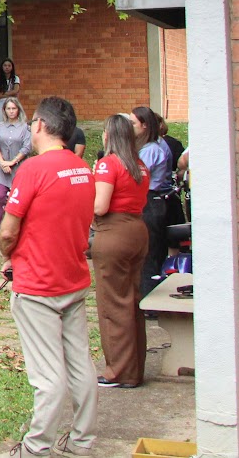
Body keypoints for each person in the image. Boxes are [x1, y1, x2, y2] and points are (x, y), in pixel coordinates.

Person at [0, 96, 97, 458]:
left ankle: (35, 447)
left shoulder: (33, 169)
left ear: (39, 124)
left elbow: (8, 231)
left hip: (38, 285)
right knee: (81, 365)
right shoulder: (83, 169)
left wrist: (9, 255)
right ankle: (82, 441)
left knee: (47, 376)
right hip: (72, 278)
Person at [92, 114, 150, 390]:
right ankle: (134, 368)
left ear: (109, 135)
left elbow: (100, 206)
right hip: (137, 230)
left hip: (113, 233)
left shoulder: (108, 164)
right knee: (132, 301)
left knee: (113, 304)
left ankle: (118, 371)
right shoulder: (139, 164)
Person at [131, 105, 175, 296]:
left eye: (133, 123)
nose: (130, 127)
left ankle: (149, 297)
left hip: (150, 201)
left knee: (149, 255)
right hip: (150, 201)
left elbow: (137, 176)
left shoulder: (150, 150)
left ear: (144, 126)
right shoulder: (149, 147)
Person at [0, 98, 31, 246]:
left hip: (18, 167)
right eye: (8, 109)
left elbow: (27, 147)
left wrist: (12, 162)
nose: (11, 111)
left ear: (18, 110)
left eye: (14, 108)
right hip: (1, 167)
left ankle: (16, 232)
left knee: (16, 199)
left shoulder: (25, 127)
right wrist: (2, 162)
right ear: (4, 110)